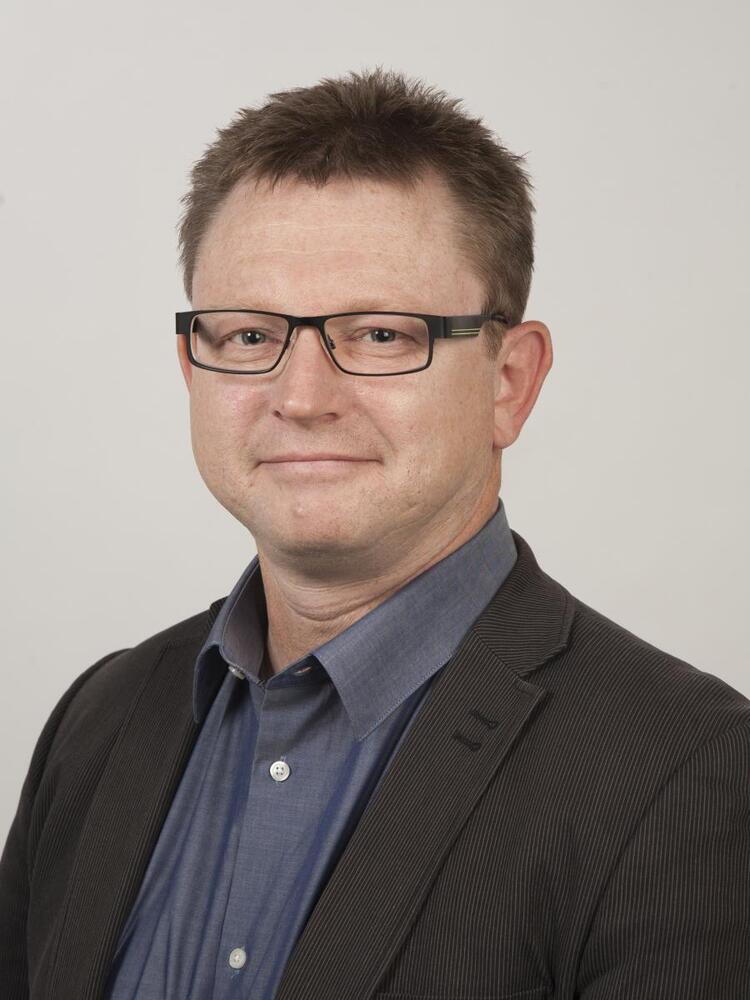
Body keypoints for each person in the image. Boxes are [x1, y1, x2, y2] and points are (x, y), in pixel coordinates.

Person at [1, 67, 748, 1000]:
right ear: (193, 369)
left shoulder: (685, 771)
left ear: (510, 381)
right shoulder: (100, 718)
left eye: (382, 336)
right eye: (248, 336)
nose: (302, 397)